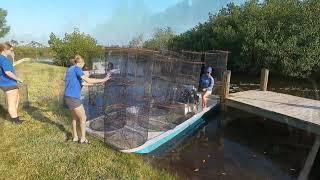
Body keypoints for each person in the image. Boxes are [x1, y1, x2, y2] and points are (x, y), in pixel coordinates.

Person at [64, 55, 111, 144]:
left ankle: (75, 137)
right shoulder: (77, 69)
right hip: (74, 98)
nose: (83, 67)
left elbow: (83, 83)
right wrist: (103, 79)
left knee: (74, 118)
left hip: (67, 97)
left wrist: (98, 84)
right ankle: (83, 139)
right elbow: (88, 80)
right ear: (81, 63)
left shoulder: (70, 69)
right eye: (83, 65)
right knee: (83, 118)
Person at [0, 42, 24, 124]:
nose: (12, 51)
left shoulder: (2, 58)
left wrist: (13, 58)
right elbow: (7, 72)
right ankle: (15, 120)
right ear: (4, 49)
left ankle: (15, 116)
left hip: (7, 83)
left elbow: (10, 66)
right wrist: (18, 79)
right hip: (8, 83)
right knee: (12, 102)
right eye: (11, 50)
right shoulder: (3, 59)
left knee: (17, 98)